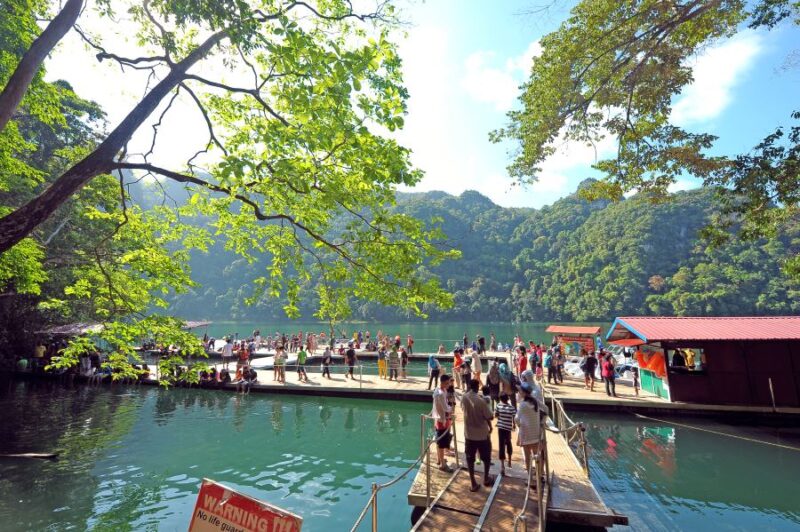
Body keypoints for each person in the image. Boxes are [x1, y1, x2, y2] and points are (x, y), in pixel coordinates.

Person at [462, 378, 494, 491]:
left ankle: (473, 483)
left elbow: (463, 410)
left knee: (470, 459)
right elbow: (490, 416)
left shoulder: (464, 397)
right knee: (486, 457)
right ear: (477, 387)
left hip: (469, 434)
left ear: (470, 386)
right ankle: (485, 478)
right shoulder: (481, 401)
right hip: (481, 434)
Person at [516, 382, 548, 483]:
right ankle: (539, 476)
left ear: (524, 393)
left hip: (526, 435)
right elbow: (546, 409)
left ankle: (530, 479)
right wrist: (542, 422)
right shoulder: (536, 402)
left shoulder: (522, 405)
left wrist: (519, 425)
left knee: (527, 458)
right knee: (538, 457)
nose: (519, 392)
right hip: (537, 434)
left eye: (520, 391)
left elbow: (517, 419)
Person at [431, 374, 454, 472]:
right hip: (442, 420)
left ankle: (439, 459)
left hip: (438, 419)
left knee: (439, 440)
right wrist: (451, 408)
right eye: (448, 383)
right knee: (441, 443)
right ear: (444, 383)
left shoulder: (438, 390)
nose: (449, 384)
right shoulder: (440, 393)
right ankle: (443, 465)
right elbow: (445, 408)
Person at [495, 393, 516, 475]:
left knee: (501, 446)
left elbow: (496, 415)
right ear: (508, 399)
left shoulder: (498, 406)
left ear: (500, 399)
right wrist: (513, 424)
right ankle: (509, 461)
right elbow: (514, 417)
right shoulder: (511, 408)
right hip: (508, 429)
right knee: (508, 443)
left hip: (500, 428)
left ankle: (502, 466)